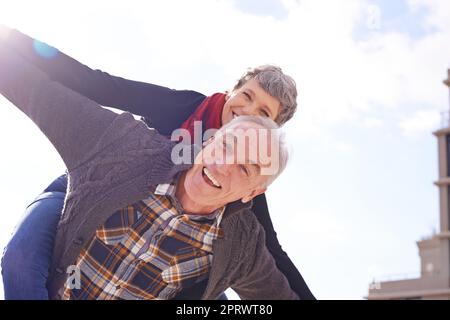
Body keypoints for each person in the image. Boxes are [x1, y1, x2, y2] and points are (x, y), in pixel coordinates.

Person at [0, 26, 315, 299]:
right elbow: (97, 85)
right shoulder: (175, 110)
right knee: (21, 260)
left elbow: (271, 257)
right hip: (93, 187)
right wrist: (11, 41)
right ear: (231, 91)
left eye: (262, 113)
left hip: (175, 244)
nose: (247, 111)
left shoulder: (244, 190)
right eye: (247, 96)